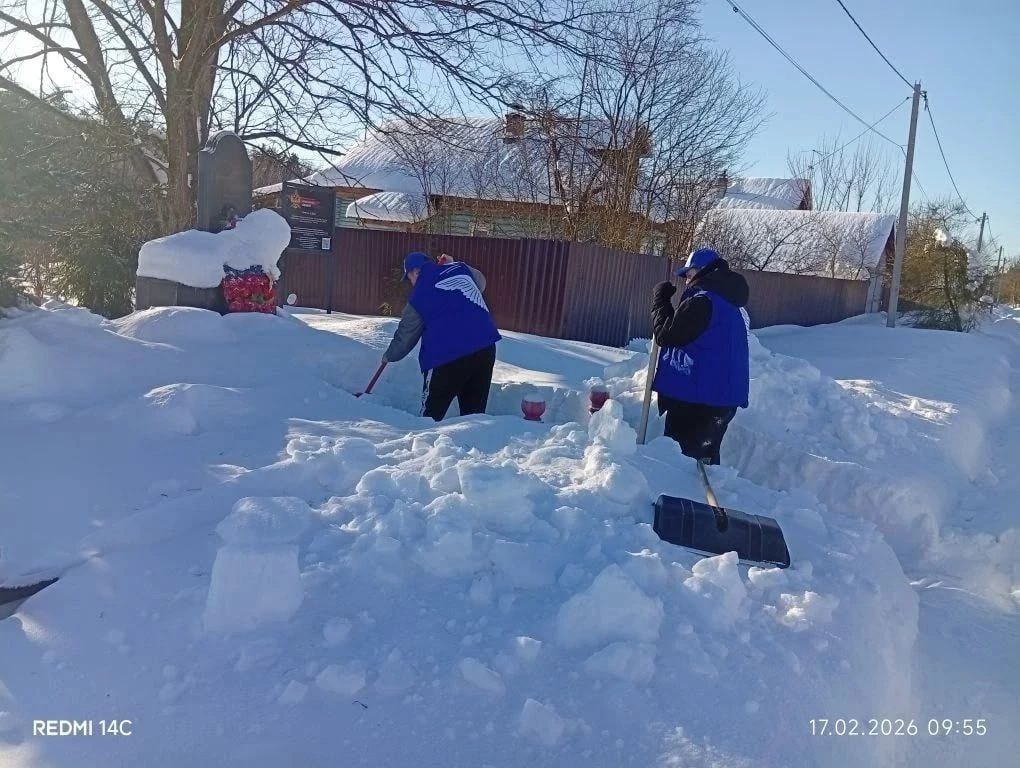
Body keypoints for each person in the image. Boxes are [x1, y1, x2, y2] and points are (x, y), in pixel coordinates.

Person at [650, 247, 750, 465]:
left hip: (698, 399)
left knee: (682, 464)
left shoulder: (704, 301)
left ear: (703, 271)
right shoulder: (727, 302)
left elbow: (668, 335)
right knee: (701, 464)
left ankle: (680, 498)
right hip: (715, 397)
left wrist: (660, 301)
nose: (686, 280)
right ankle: (695, 496)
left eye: (689, 273)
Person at [382, 251, 501, 420]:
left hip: (446, 358)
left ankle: (423, 445)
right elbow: (480, 283)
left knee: (429, 418)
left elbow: (405, 336)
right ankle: (470, 444)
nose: (411, 283)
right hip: (484, 349)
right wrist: (454, 264)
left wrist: (389, 355)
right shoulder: (460, 269)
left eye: (409, 278)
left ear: (416, 271)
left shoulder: (418, 296)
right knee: (473, 418)